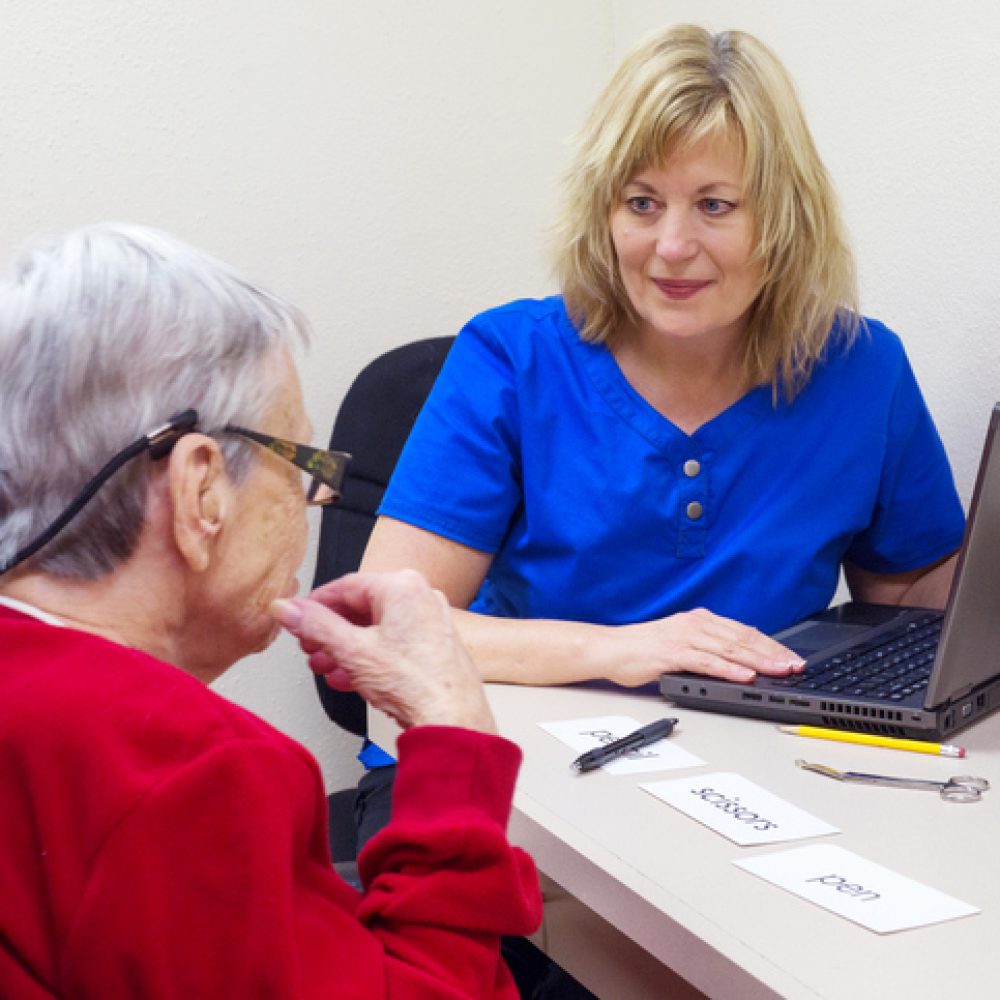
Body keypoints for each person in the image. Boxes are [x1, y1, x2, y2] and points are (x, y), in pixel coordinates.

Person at [0, 223, 541, 998]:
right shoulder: (190, 775)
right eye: (299, 464)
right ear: (200, 492)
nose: (314, 500)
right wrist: (452, 736)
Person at [360, 24, 965, 688]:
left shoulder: (862, 370)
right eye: (642, 203)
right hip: (515, 750)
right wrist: (624, 652)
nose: (672, 246)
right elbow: (387, 625)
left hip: (749, 761)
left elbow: (918, 609)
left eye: (714, 205)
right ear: (604, 213)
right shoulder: (511, 359)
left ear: (785, 217)